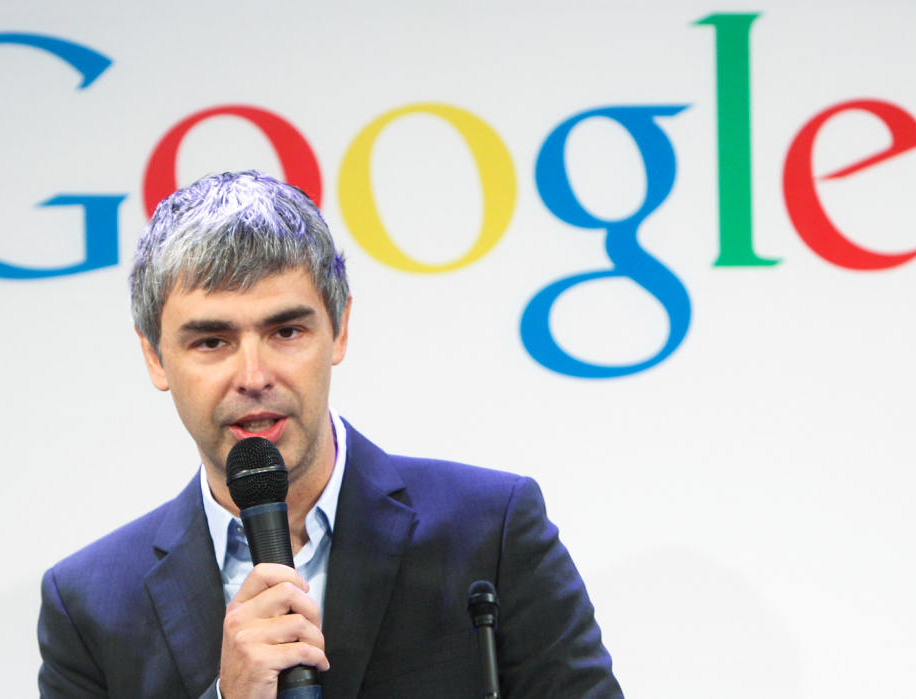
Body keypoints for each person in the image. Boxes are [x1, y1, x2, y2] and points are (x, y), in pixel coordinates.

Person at [37, 171, 622, 698]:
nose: (254, 376)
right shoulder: (90, 606)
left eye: (286, 331)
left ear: (338, 329)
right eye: (211, 341)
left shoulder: (489, 532)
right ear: (156, 358)